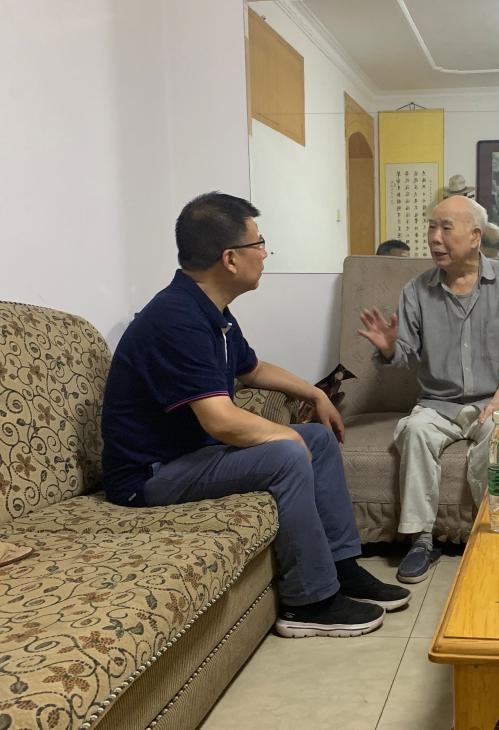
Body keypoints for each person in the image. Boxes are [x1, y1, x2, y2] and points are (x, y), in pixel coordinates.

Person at [101, 192, 410, 639]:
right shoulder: (176, 318)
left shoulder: (209, 309)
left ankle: (341, 566)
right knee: (289, 453)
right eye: (258, 244)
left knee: (318, 438)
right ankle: (309, 602)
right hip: (149, 475)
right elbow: (221, 421)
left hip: (190, 455)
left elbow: (252, 369)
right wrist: (287, 439)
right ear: (230, 258)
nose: (264, 254)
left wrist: (315, 394)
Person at [357, 195, 499, 583]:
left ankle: (490, 532)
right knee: (415, 430)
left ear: (475, 236)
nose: (434, 238)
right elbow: (404, 353)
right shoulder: (417, 290)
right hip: (438, 403)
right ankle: (421, 540)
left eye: (445, 228)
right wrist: (389, 348)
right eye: (431, 228)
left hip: (494, 398)